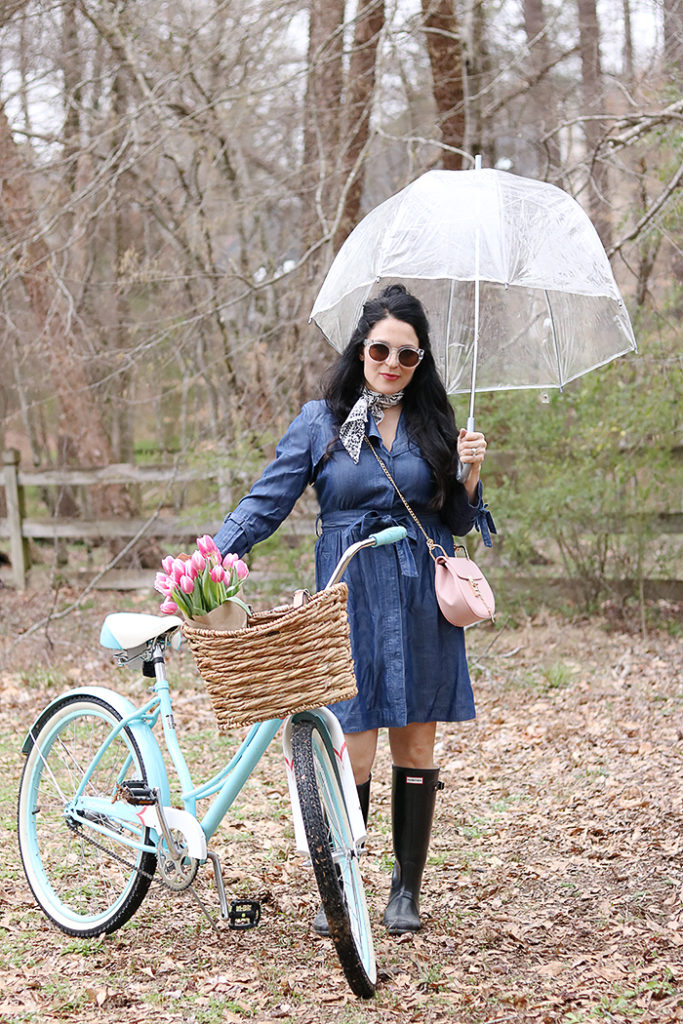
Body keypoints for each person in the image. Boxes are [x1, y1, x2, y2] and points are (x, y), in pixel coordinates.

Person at [213, 284, 495, 935]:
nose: (392, 362)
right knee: (354, 748)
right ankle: (341, 886)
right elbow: (265, 504)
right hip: (348, 595)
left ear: (420, 360)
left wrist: (469, 476)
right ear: (360, 349)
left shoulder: (436, 426)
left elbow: (454, 519)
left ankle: (405, 891)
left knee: (417, 742)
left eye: (407, 354)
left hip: (419, 593)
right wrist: (209, 560)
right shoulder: (325, 421)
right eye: (380, 349)